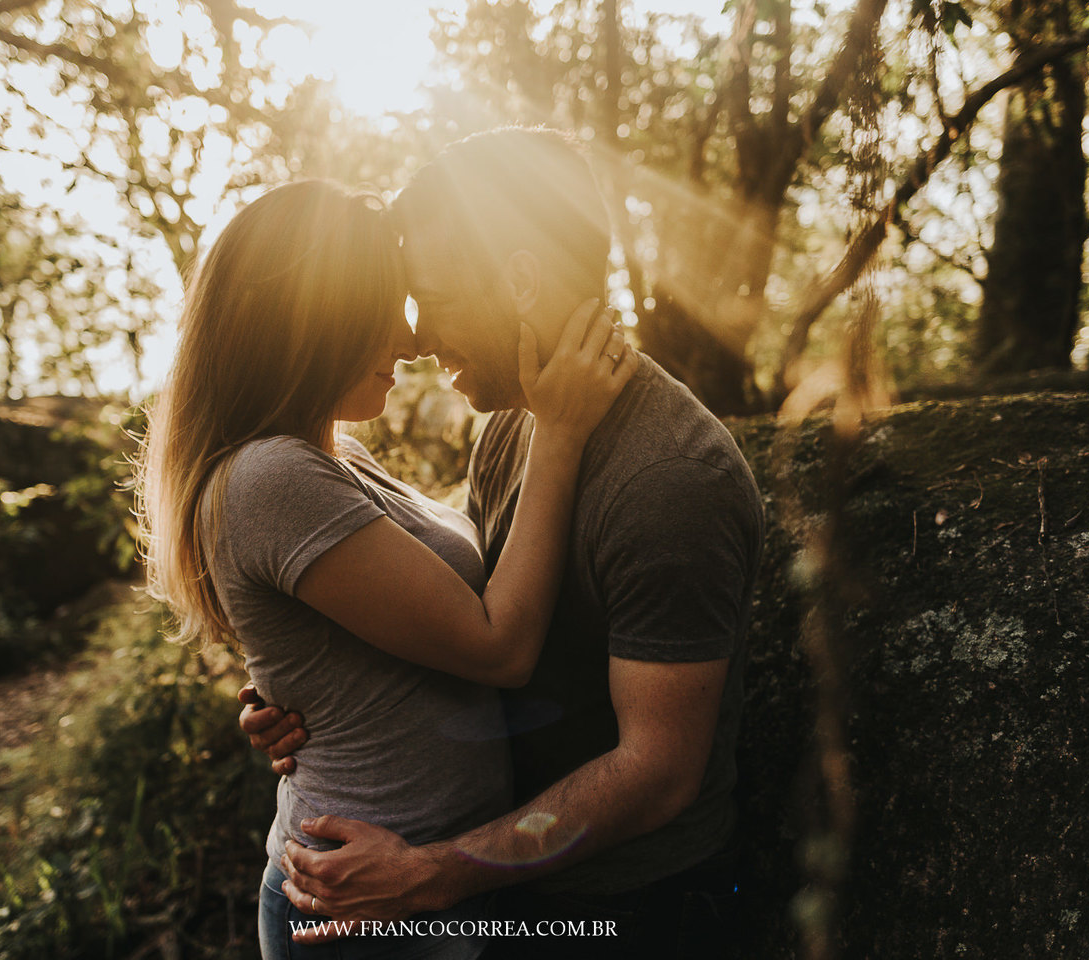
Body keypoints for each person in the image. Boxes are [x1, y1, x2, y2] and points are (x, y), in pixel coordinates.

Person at [241, 129, 765, 958]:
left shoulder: (669, 479)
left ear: (520, 281)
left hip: (627, 912)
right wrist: (308, 687)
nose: (414, 335)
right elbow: (462, 605)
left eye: (431, 296)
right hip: (512, 887)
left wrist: (437, 873)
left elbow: (660, 772)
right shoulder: (518, 418)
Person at [136, 178, 634, 960]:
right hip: (363, 905)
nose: (409, 342)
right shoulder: (271, 478)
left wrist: (298, 687)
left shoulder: (335, 455)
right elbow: (499, 645)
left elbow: (386, 608)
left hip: (420, 880)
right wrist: (561, 429)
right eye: (384, 313)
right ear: (311, 321)